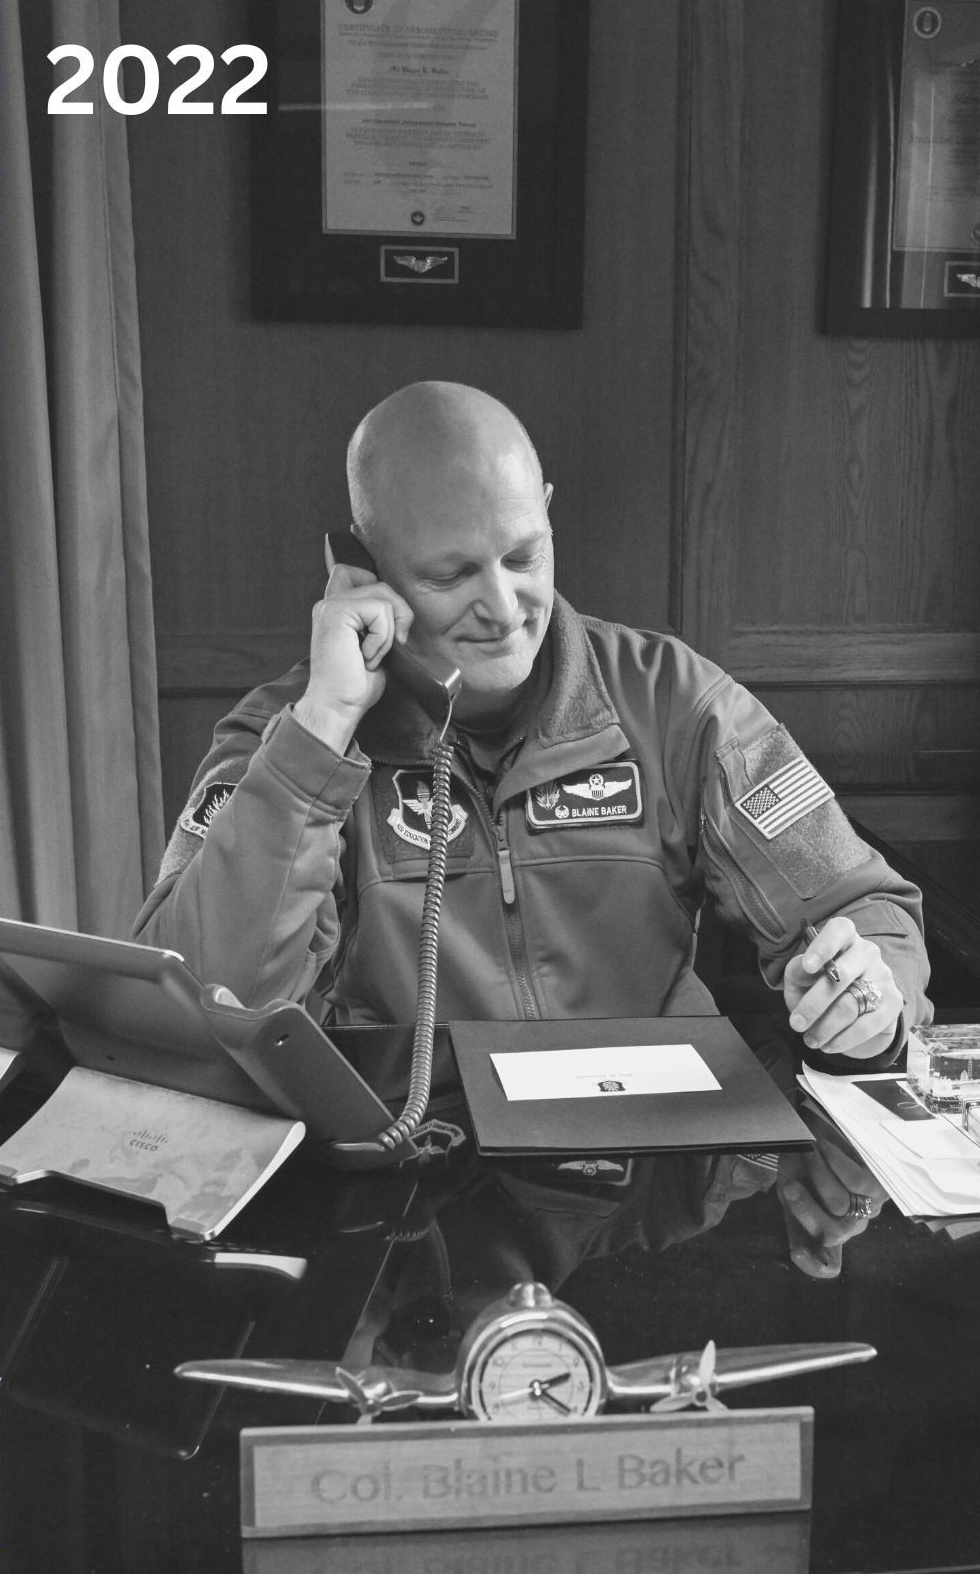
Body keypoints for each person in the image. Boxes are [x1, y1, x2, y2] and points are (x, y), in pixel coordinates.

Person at [137, 381, 929, 1270]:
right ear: (361, 568)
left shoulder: (674, 702)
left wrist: (871, 993)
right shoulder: (285, 739)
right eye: (451, 575)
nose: (506, 608)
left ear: (550, 517)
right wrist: (321, 736)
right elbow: (197, 1009)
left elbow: (866, 907)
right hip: (403, 1217)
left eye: (524, 555)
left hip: (651, 1215)